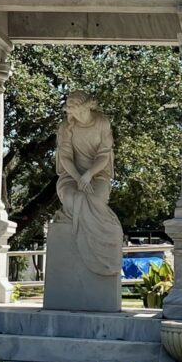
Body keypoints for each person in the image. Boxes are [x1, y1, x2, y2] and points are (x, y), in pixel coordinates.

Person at [55, 90, 124, 276]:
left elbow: (104, 154)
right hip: (71, 176)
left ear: (86, 107)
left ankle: (106, 242)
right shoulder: (66, 126)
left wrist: (89, 175)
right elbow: (65, 157)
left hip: (97, 175)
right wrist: (78, 177)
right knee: (71, 198)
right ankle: (94, 245)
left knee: (97, 198)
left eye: (76, 110)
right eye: (71, 111)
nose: (73, 115)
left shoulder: (102, 122)